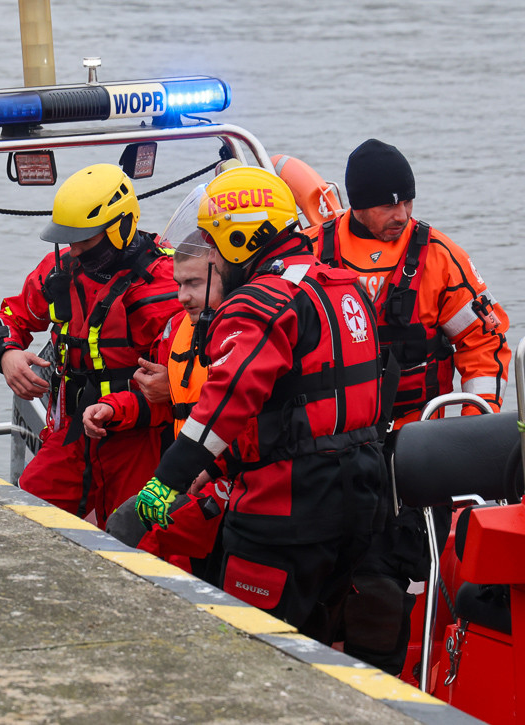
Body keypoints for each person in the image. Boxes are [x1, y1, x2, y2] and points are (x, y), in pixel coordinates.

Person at [133, 166, 388, 642]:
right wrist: (215, 468)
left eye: (213, 238)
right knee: (320, 641)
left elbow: (229, 398)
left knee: (249, 644)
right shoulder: (343, 284)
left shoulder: (259, 300)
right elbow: (315, 401)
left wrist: (168, 480)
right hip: (361, 499)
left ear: (237, 238)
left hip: (288, 511)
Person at [312, 139, 511, 675]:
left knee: (383, 581)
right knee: (318, 569)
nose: (401, 215)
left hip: (410, 446)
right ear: (357, 203)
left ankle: (381, 679)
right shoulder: (312, 253)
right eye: (388, 204)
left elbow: (483, 346)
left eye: (408, 202)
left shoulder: (437, 258)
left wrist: (471, 433)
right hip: (327, 446)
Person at [0, 163, 182, 527]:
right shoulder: (59, 269)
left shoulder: (167, 286)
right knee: (24, 516)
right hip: (73, 432)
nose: (74, 250)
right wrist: (9, 354)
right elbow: (9, 316)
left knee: (142, 537)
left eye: (86, 241)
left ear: (121, 227)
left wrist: (116, 408)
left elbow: (176, 389)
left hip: (139, 438)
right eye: (69, 238)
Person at [83, 213, 230, 576]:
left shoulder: (244, 332)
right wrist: (111, 408)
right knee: (124, 531)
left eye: (194, 284)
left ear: (224, 274)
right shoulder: (177, 331)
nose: (183, 297)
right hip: (188, 479)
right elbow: (160, 403)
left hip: (226, 482)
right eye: (179, 284)